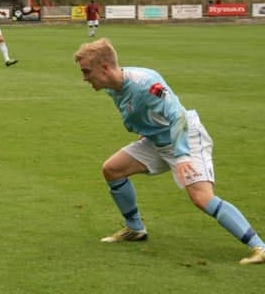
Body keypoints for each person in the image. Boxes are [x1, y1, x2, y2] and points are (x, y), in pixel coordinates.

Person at [73, 38, 265, 265]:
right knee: (112, 169)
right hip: (157, 140)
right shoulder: (112, 87)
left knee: (201, 197)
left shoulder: (145, 83)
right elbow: (143, 112)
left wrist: (182, 156)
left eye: (87, 71)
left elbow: (178, 116)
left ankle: (259, 246)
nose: (85, 78)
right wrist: (146, 130)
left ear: (105, 67)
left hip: (185, 138)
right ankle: (135, 229)